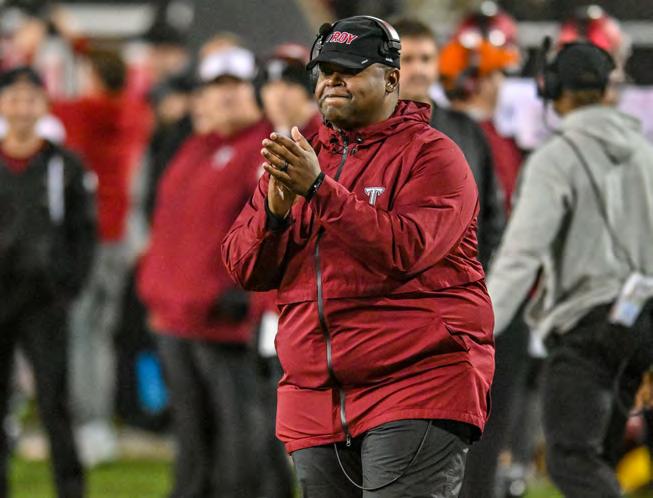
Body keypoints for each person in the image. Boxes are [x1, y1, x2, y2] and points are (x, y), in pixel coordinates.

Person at [222, 16, 494, 497]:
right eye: (325, 71)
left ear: (391, 79)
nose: (332, 81)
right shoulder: (303, 157)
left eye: (349, 70)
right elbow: (243, 267)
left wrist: (318, 190)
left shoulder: (433, 155)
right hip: (316, 396)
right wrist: (275, 214)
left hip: (415, 382)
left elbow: (404, 248)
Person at [488, 41, 653, 498]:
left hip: (589, 328)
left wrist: (474, 328)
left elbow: (521, 255)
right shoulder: (644, 152)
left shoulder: (554, 158)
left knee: (572, 460)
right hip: (643, 323)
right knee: (602, 459)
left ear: (553, 88)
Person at [137, 45, 269, 498]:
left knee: (238, 437)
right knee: (193, 439)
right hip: (176, 315)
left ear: (254, 91)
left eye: (236, 86)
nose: (226, 96)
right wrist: (154, 288)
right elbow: (170, 227)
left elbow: (272, 231)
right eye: (217, 87)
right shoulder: (195, 147)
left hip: (224, 321)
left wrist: (245, 295)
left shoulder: (263, 149)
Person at [0, 66, 95, 498]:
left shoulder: (63, 164)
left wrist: (69, 284)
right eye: (13, 98)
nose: (22, 108)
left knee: (55, 399)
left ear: (43, 105)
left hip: (44, 300)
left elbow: (83, 231)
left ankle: (70, 487)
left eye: (30, 98)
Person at [52, 48, 150, 467]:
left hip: (93, 237)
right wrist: (76, 43)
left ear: (95, 78)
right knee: (101, 333)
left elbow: (43, 102)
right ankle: (99, 425)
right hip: (120, 236)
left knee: (81, 332)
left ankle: (86, 423)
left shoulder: (88, 111)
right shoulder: (133, 110)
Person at [255, 42, 321, 498]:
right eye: (271, 85)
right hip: (272, 307)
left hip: (309, 306)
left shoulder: (320, 143)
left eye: (290, 85)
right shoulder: (268, 141)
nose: (278, 95)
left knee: (311, 437)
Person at [393, 18, 504, 269]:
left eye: (426, 59)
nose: (418, 69)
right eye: (407, 60)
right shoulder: (369, 131)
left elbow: (492, 211)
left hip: (458, 280)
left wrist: (479, 272)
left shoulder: (467, 130)